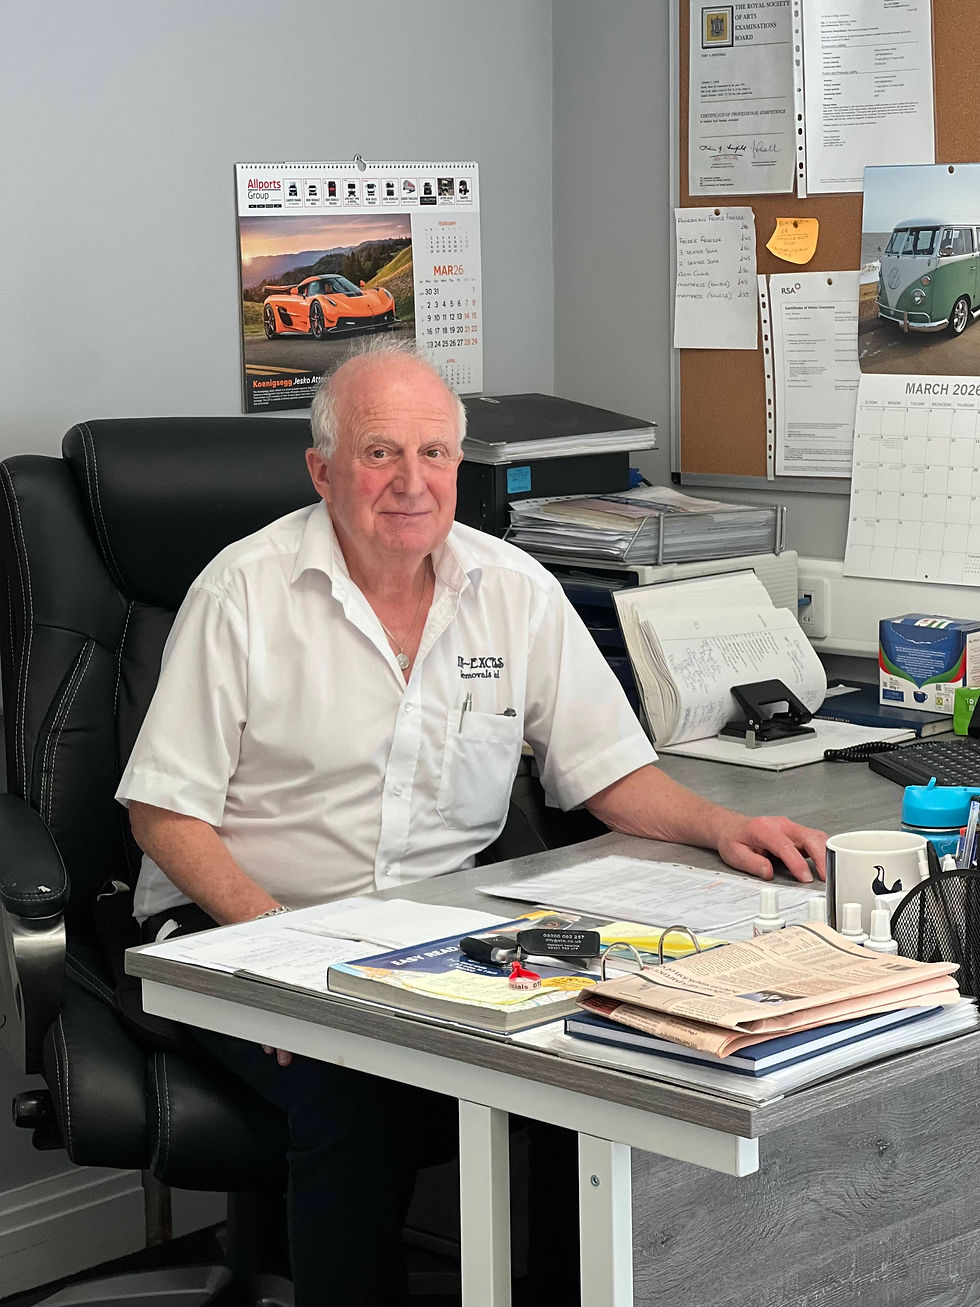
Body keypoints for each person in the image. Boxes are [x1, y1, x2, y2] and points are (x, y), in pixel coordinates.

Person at [117, 339, 826, 1306]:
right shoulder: (242, 591)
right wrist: (278, 948)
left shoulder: (513, 588)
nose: (411, 482)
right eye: (380, 453)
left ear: (461, 466)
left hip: (431, 930)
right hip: (238, 924)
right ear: (323, 471)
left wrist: (720, 824)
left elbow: (607, 770)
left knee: (601, 1056)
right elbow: (164, 812)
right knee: (347, 1084)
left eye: (435, 454)